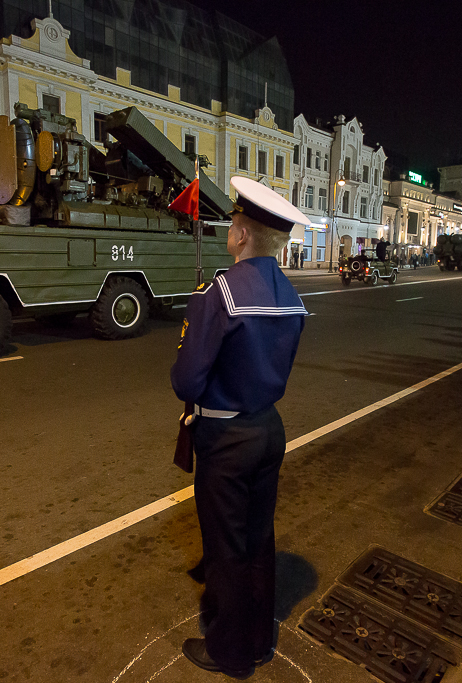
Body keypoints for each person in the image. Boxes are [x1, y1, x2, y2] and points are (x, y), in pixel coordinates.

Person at [171, 176, 307, 679]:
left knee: (225, 552)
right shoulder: (291, 295)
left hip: (226, 438)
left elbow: (186, 378)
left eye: (232, 222)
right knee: (257, 539)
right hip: (268, 429)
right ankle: (256, 639)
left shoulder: (220, 293)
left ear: (243, 234)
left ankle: (229, 652)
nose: (229, 229)